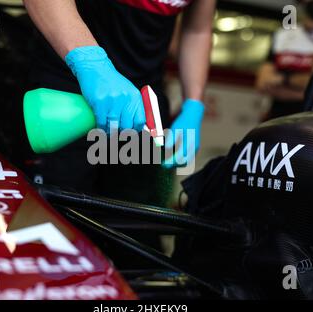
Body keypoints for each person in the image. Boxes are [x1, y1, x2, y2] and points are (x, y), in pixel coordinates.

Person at [23, 0, 215, 206]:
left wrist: (193, 106)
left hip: (144, 114)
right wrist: (91, 62)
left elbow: (198, 30)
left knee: (136, 225)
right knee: (55, 219)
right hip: (67, 100)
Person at [256, 0, 313, 119]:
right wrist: (305, 88)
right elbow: (263, 83)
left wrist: (283, 79)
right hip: (276, 117)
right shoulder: (283, 35)